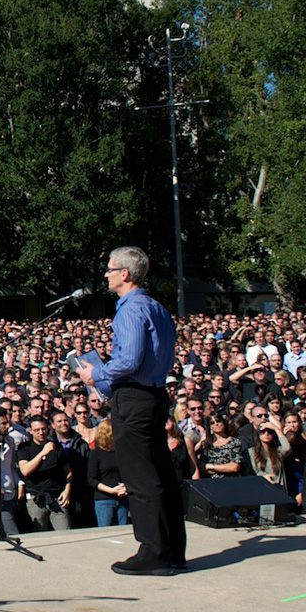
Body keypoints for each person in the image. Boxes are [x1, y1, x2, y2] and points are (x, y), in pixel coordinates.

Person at [78, 245, 183, 576]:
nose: (106, 274)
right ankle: (172, 550)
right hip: (154, 396)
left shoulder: (129, 310)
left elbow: (129, 360)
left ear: (125, 273)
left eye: (110, 269)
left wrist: (96, 374)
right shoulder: (157, 308)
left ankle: (152, 551)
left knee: (141, 477)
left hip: (135, 401)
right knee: (162, 474)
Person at [87, 419, 131, 527]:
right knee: (106, 531)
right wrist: (111, 491)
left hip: (123, 497)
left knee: (124, 531)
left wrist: (126, 487)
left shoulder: (122, 451)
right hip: (104, 499)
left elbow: (129, 472)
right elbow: (91, 479)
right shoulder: (95, 453)